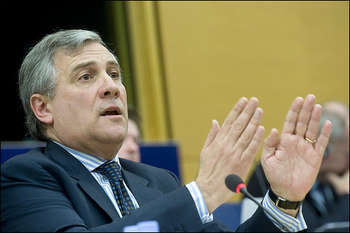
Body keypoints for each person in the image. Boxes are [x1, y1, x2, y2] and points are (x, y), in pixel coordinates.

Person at [0, 29, 332, 232]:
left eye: (114, 74)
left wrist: (284, 199)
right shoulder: (23, 178)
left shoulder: (157, 182)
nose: (111, 87)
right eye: (86, 76)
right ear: (43, 108)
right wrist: (201, 194)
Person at [247, 101, 349, 232]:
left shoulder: (331, 180)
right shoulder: (276, 173)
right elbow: (314, 230)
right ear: (325, 153)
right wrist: (346, 196)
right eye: (347, 154)